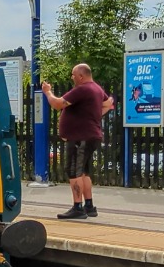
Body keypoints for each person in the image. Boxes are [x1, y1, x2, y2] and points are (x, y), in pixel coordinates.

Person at [41, 63, 114, 219]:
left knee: (74, 170)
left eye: (73, 75)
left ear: (81, 76)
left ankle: (77, 208)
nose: (72, 77)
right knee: (84, 172)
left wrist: (48, 93)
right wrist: (93, 115)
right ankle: (89, 206)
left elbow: (57, 104)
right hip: (90, 136)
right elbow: (109, 103)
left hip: (80, 138)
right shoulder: (97, 89)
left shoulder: (83, 89)